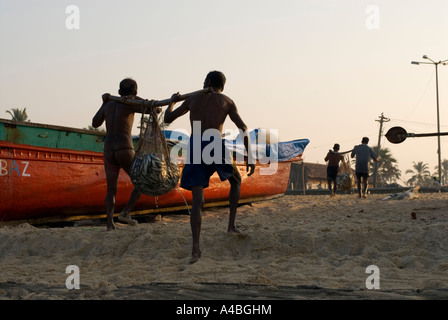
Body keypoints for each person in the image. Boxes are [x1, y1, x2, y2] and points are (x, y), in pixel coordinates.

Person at [164, 71, 255, 263]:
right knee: (236, 180)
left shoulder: (194, 98)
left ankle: (196, 250)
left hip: (196, 144)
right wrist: (250, 155)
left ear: (206, 82)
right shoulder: (227, 101)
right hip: (214, 142)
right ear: (222, 86)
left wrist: (172, 101)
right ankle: (231, 226)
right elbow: (243, 128)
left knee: (198, 200)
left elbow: (168, 118)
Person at [92, 78, 158, 231]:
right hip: (124, 148)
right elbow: (153, 109)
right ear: (134, 92)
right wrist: (137, 99)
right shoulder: (130, 103)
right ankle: (126, 212)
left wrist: (104, 103)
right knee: (142, 181)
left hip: (108, 150)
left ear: (119, 91)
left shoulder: (108, 104)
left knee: (111, 189)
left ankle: (110, 224)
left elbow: (95, 123)